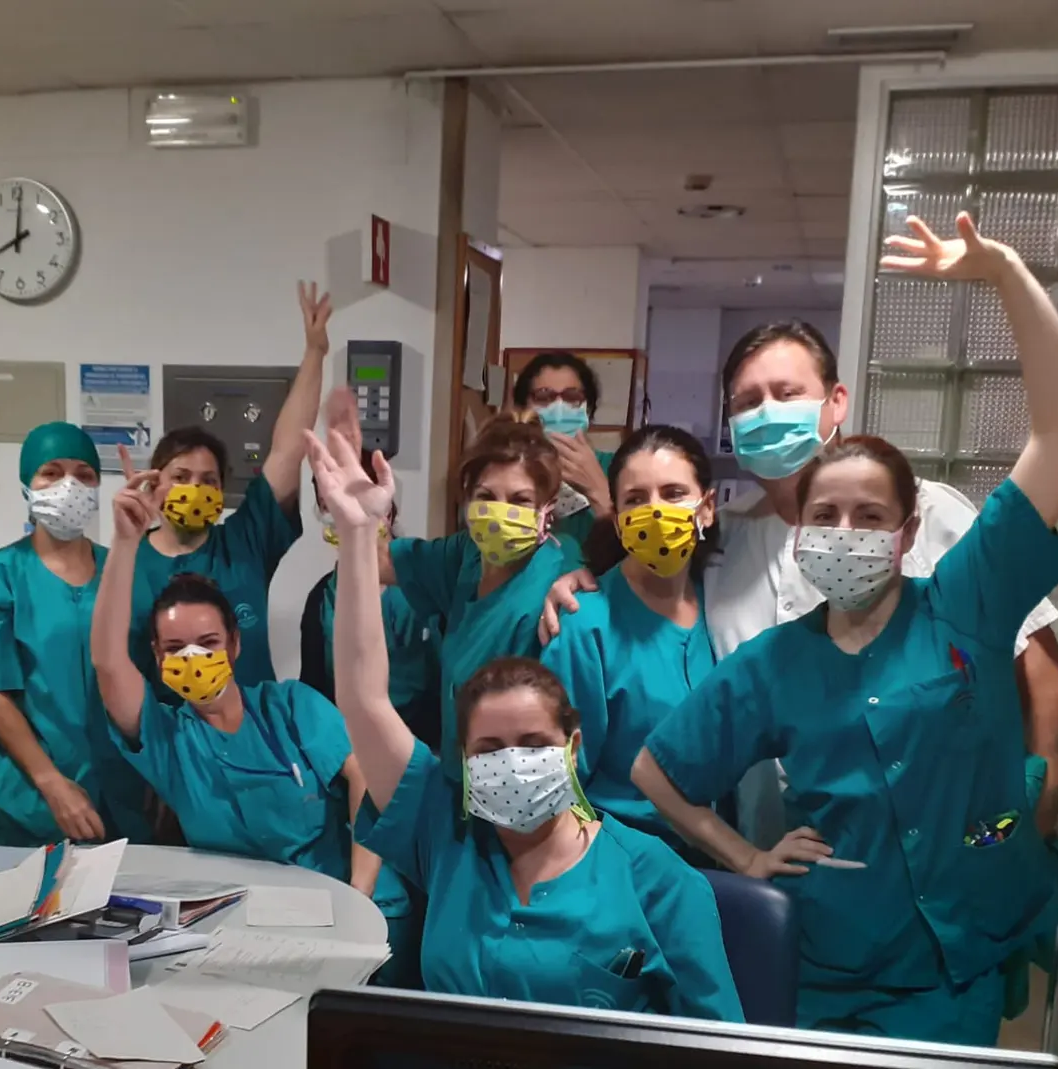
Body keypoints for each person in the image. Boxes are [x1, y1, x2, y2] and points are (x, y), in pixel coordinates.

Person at [630, 214, 1058, 1045]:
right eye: (827, 517)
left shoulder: (964, 601)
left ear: (908, 532)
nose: (847, 533)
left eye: (870, 516)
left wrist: (1008, 275)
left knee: (995, 833)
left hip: (962, 933)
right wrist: (745, 857)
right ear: (799, 534)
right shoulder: (775, 657)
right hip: (833, 947)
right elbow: (659, 767)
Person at [541, 327, 1058, 845]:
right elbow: (654, 569)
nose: (767, 412)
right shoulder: (727, 535)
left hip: (942, 832)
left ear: (836, 402)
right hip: (771, 842)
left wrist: (1048, 790)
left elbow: (1032, 648)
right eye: (748, 402)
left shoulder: (925, 511)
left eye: (786, 393)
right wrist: (576, 577)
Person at [306, 424, 742, 1020]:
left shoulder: (658, 881)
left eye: (533, 743)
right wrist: (358, 534)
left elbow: (718, 1045)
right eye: (489, 747)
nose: (511, 762)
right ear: (461, 755)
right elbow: (362, 697)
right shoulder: (448, 838)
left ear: (574, 744)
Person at [91, 446, 408, 962]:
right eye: (175, 649)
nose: (194, 657)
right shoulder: (168, 739)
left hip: (347, 905)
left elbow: (365, 778)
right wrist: (125, 542)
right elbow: (108, 663)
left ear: (235, 645)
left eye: (208, 643)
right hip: (244, 930)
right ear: (156, 656)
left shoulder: (289, 708)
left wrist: (358, 895)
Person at [125, 283, 329, 695]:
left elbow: (289, 450)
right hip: (171, 742)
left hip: (250, 733)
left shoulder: (245, 540)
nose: (194, 489)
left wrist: (315, 353)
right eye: (180, 478)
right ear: (154, 481)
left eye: (208, 481)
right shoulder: (125, 561)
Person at [0, 423, 152, 847]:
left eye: (84, 474)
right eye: (51, 472)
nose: (69, 484)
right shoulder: (2, 574)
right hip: (32, 801)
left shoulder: (125, 569)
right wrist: (52, 784)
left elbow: (150, 680)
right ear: (28, 486)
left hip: (123, 792)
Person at [537, 425, 718, 847]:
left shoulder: (723, 609)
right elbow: (561, 788)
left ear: (706, 509)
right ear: (618, 520)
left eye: (673, 494)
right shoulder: (585, 627)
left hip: (719, 853)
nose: (655, 512)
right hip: (622, 861)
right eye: (636, 499)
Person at [378, 415, 568, 771]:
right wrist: (362, 516)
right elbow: (383, 563)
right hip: (457, 772)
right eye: (486, 497)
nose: (500, 514)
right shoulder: (466, 555)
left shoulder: (557, 585)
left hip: (515, 785)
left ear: (547, 510)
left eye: (520, 500)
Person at [299, 466, 443, 751]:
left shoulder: (430, 587)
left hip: (424, 749)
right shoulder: (322, 599)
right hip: (346, 749)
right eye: (333, 507)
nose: (348, 516)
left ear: (387, 511)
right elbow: (313, 693)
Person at [513, 351, 614, 574]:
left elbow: (637, 556)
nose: (558, 408)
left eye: (571, 397)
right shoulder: (509, 473)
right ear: (523, 409)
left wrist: (599, 492)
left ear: (588, 408)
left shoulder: (618, 470)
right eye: (543, 397)